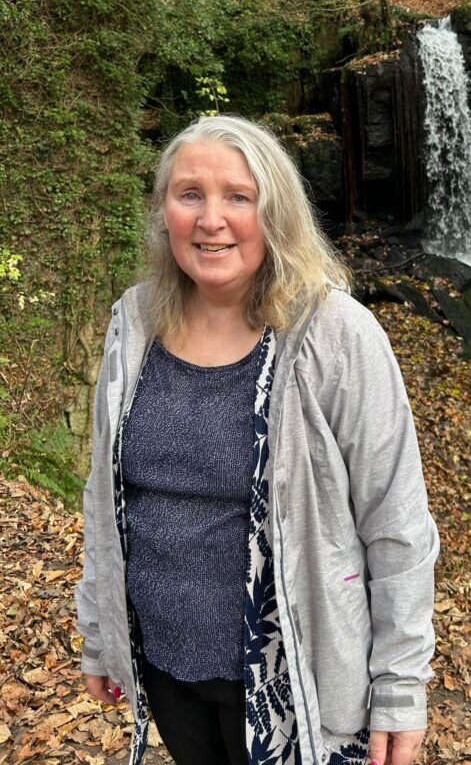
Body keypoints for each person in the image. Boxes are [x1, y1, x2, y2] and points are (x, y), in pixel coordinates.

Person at [75, 114, 439, 765]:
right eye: (190, 194)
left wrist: (401, 688)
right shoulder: (132, 323)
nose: (211, 219)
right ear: (164, 211)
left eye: (238, 197)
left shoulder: (337, 336)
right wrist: (101, 630)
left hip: (295, 679)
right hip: (166, 668)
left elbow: (398, 524)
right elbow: (105, 494)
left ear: (276, 211)